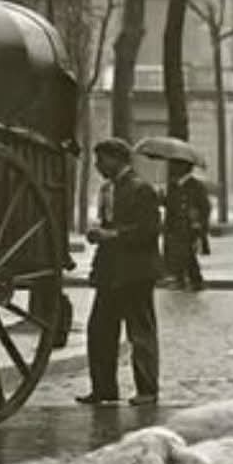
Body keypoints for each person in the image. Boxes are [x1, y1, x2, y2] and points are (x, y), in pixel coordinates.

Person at [79, 138, 162, 407]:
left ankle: (147, 390)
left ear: (117, 159)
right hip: (110, 271)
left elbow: (149, 231)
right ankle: (103, 388)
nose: (97, 166)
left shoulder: (142, 190)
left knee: (140, 333)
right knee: (99, 331)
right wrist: (99, 234)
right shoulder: (107, 190)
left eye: (101, 160)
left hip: (135, 272)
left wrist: (111, 235)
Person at [161, 159, 210, 291]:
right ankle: (180, 278)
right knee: (178, 253)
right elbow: (171, 205)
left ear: (185, 168)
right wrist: (162, 199)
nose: (173, 169)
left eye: (176, 166)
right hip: (175, 226)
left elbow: (204, 206)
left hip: (189, 226)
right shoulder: (173, 185)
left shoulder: (196, 185)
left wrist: (200, 224)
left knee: (188, 254)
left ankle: (195, 280)